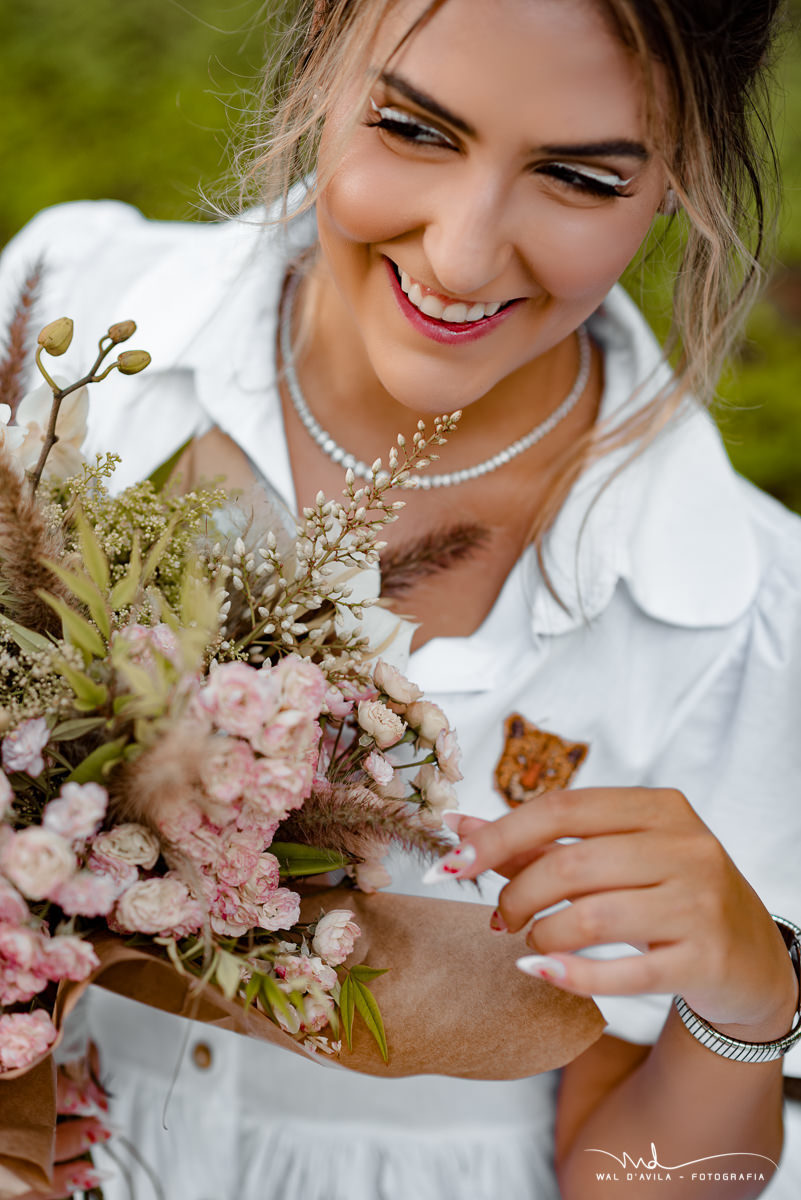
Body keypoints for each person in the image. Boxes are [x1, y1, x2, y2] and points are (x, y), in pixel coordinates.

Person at [1, 1, 800, 1197]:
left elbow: (631, 1177)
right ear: (320, 56)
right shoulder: (72, 328)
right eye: (414, 129)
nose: (463, 254)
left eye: (578, 176)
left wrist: (744, 1007)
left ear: (677, 181)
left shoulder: (739, 623)